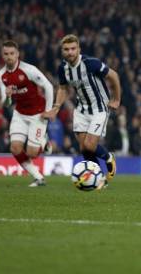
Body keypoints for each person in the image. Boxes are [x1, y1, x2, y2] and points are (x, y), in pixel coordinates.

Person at [42, 34, 121, 186]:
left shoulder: (91, 63)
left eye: (73, 49)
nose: (70, 52)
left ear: (79, 49)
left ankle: (108, 157)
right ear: (62, 51)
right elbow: (63, 88)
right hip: (81, 109)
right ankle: (99, 179)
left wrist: (116, 99)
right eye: (66, 49)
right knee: (84, 149)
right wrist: (56, 108)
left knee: (90, 145)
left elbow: (114, 76)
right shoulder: (62, 68)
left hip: (99, 108)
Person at [0, 40, 53, 187]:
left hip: (38, 113)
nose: (9, 57)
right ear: (2, 55)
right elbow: (6, 103)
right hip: (20, 113)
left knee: (32, 153)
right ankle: (38, 177)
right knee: (15, 148)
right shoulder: (1, 75)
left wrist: (49, 110)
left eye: (12, 54)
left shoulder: (28, 70)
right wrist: (8, 96)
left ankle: (44, 142)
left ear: (17, 54)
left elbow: (48, 86)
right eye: (6, 54)